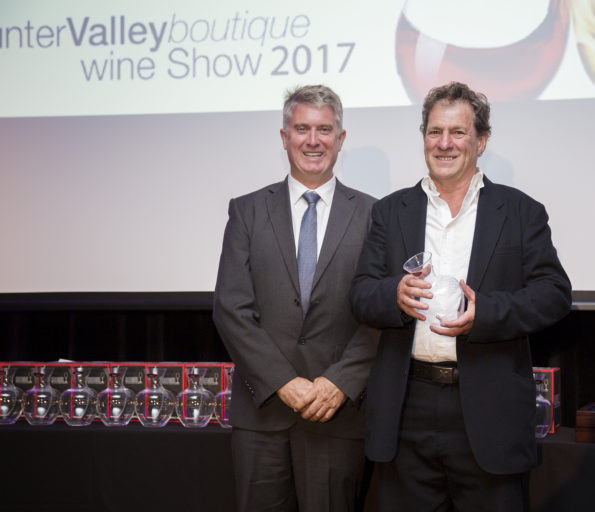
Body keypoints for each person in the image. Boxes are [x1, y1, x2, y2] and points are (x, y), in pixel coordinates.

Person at [350, 82, 571, 511]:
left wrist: (486, 312)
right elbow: (360, 293)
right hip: (406, 410)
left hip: (490, 412)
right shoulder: (390, 211)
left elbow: (554, 294)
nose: (444, 143)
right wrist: (393, 294)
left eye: (458, 132)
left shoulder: (521, 212)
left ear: (481, 141)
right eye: (435, 132)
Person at [213, 84, 379, 512]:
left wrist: (340, 383)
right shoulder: (247, 211)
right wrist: (283, 382)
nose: (313, 140)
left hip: (337, 414)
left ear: (340, 138)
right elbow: (231, 309)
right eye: (302, 129)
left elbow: (380, 316)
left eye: (324, 129)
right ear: (284, 136)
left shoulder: (374, 215)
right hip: (262, 416)